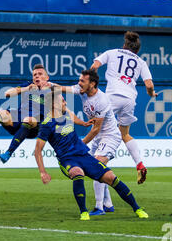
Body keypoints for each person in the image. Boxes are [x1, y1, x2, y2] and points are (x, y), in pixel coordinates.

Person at [34, 88, 148, 220]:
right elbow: (37, 151)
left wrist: (84, 123)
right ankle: (84, 212)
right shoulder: (46, 124)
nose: (65, 101)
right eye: (62, 99)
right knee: (78, 173)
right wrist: (43, 172)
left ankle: (137, 208)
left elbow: (73, 116)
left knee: (111, 177)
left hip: (83, 155)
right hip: (67, 160)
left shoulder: (65, 113)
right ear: (53, 104)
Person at [0, 64, 89, 163]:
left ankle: (8, 153)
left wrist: (83, 123)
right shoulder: (28, 85)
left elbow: (67, 111)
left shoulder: (53, 92)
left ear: (47, 77)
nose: (37, 76)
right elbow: (7, 93)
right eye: (35, 75)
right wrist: (27, 89)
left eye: (40, 74)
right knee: (0, 114)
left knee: (28, 119)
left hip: (34, 125)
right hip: (18, 119)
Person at [91, 31, 157, 184]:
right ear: (137, 50)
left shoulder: (112, 52)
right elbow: (149, 84)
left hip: (112, 96)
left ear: (124, 45)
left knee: (99, 128)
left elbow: (95, 66)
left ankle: (98, 163)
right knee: (125, 134)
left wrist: (91, 84)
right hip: (129, 99)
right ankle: (139, 163)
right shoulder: (140, 61)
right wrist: (152, 94)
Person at [58, 69, 121, 216]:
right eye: (79, 80)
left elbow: (96, 129)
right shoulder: (82, 91)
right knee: (94, 168)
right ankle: (108, 204)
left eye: (82, 81)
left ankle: (99, 207)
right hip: (98, 137)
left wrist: (81, 144)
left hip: (109, 136)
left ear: (92, 84)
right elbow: (62, 88)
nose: (79, 83)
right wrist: (46, 84)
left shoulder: (102, 100)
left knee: (97, 165)